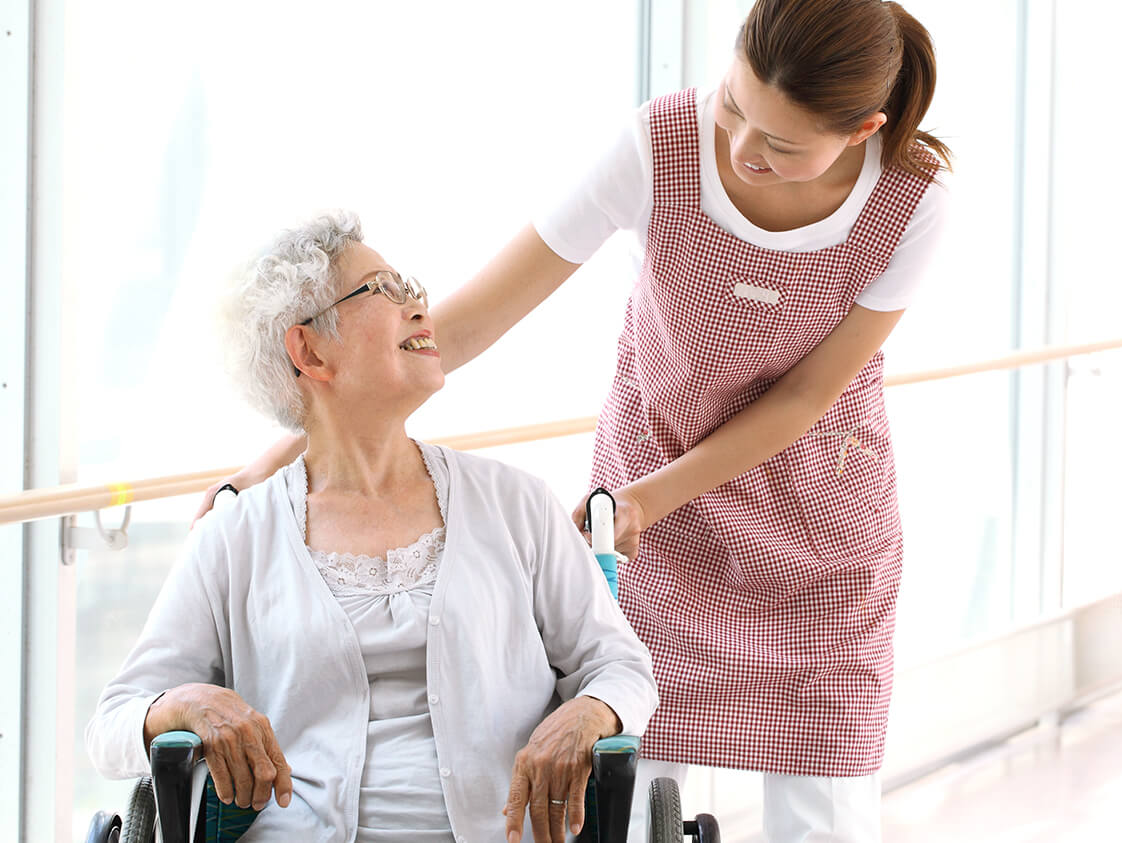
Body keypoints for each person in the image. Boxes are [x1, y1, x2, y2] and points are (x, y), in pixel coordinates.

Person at [198, 0, 951, 838]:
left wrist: (648, 497)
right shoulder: (659, 145)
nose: (742, 148)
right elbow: (467, 324)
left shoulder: (912, 200)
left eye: (780, 144)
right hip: (646, 506)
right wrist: (286, 453)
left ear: (861, 131)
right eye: (734, 105)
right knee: (628, 780)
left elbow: (806, 397)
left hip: (814, 521)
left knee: (827, 809)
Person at [89, 212, 658, 843]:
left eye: (410, 287)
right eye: (383, 289)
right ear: (310, 351)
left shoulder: (516, 503)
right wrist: (183, 703)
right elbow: (111, 725)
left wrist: (590, 710)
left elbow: (621, 666)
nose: (418, 305)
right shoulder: (233, 537)